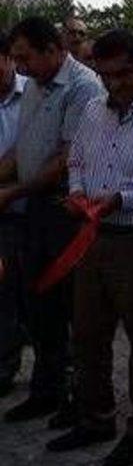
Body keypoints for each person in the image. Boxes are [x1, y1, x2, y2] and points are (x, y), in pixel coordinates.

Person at [46, 30, 133, 466]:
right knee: (89, 334)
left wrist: (121, 200)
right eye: (105, 75)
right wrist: (77, 192)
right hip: (91, 236)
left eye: (123, 74)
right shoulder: (92, 109)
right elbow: (78, 162)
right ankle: (95, 417)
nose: (114, 84)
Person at [0, 17, 101, 425]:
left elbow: (65, 159)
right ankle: (46, 390)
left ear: (52, 49)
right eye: (16, 60)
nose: (20, 67)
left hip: (64, 211)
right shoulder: (36, 86)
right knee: (39, 306)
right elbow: (23, 152)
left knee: (70, 306)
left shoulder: (83, 88)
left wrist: (13, 193)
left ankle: (82, 398)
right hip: (34, 213)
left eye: (25, 58)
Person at [0, 32, 28, 396]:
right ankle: (5, 365)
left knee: (39, 293)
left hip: (30, 208)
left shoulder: (34, 94)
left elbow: (35, 151)